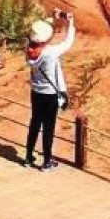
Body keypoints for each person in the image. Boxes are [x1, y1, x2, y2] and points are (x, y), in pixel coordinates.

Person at [24, 11, 77, 170]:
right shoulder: (50, 53)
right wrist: (70, 23)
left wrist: (53, 17)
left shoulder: (28, 48)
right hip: (50, 95)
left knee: (35, 124)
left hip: (36, 92)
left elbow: (41, 33)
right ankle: (47, 162)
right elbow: (67, 42)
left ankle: (28, 157)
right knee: (48, 128)